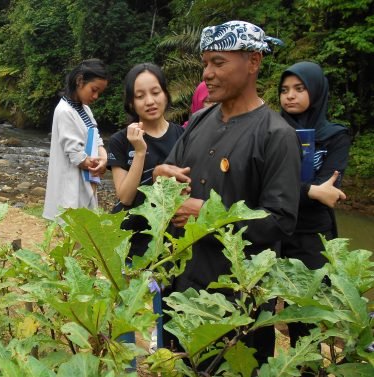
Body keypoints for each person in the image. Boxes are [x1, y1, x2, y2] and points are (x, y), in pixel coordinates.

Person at [153, 20, 301, 362]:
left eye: (218, 62)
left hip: (235, 308)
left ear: (253, 62)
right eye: (205, 63)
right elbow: (168, 180)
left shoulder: (276, 135)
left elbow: (280, 222)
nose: (207, 73)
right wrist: (160, 174)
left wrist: (206, 214)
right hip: (183, 292)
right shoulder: (202, 119)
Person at [107, 63, 184, 351]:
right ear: (130, 102)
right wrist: (140, 151)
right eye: (140, 95)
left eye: (155, 92)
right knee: (127, 311)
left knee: (166, 310)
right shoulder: (119, 141)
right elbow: (125, 196)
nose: (149, 101)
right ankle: (126, 368)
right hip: (131, 240)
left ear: (166, 94)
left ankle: (166, 360)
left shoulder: (183, 136)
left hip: (171, 242)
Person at [278, 61, 350, 345]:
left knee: (305, 320)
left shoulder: (335, 135)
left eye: (299, 88)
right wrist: (311, 191)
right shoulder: (271, 129)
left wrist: (294, 190)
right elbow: (263, 187)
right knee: (259, 309)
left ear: (317, 91)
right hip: (275, 230)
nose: (290, 96)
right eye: (284, 90)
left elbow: (330, 187)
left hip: (312, 237)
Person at [43, 59, 109, 221]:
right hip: (71, 188)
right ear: (80, 81)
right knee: (73, 239)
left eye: (99, 92)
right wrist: (98, 165)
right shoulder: (64, 111)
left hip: (86, 180)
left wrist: (104, 158)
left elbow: (97, 139)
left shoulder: (84, 109)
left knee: (83, 239)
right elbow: (76, 156)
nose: (96, 96)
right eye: (93, 90)